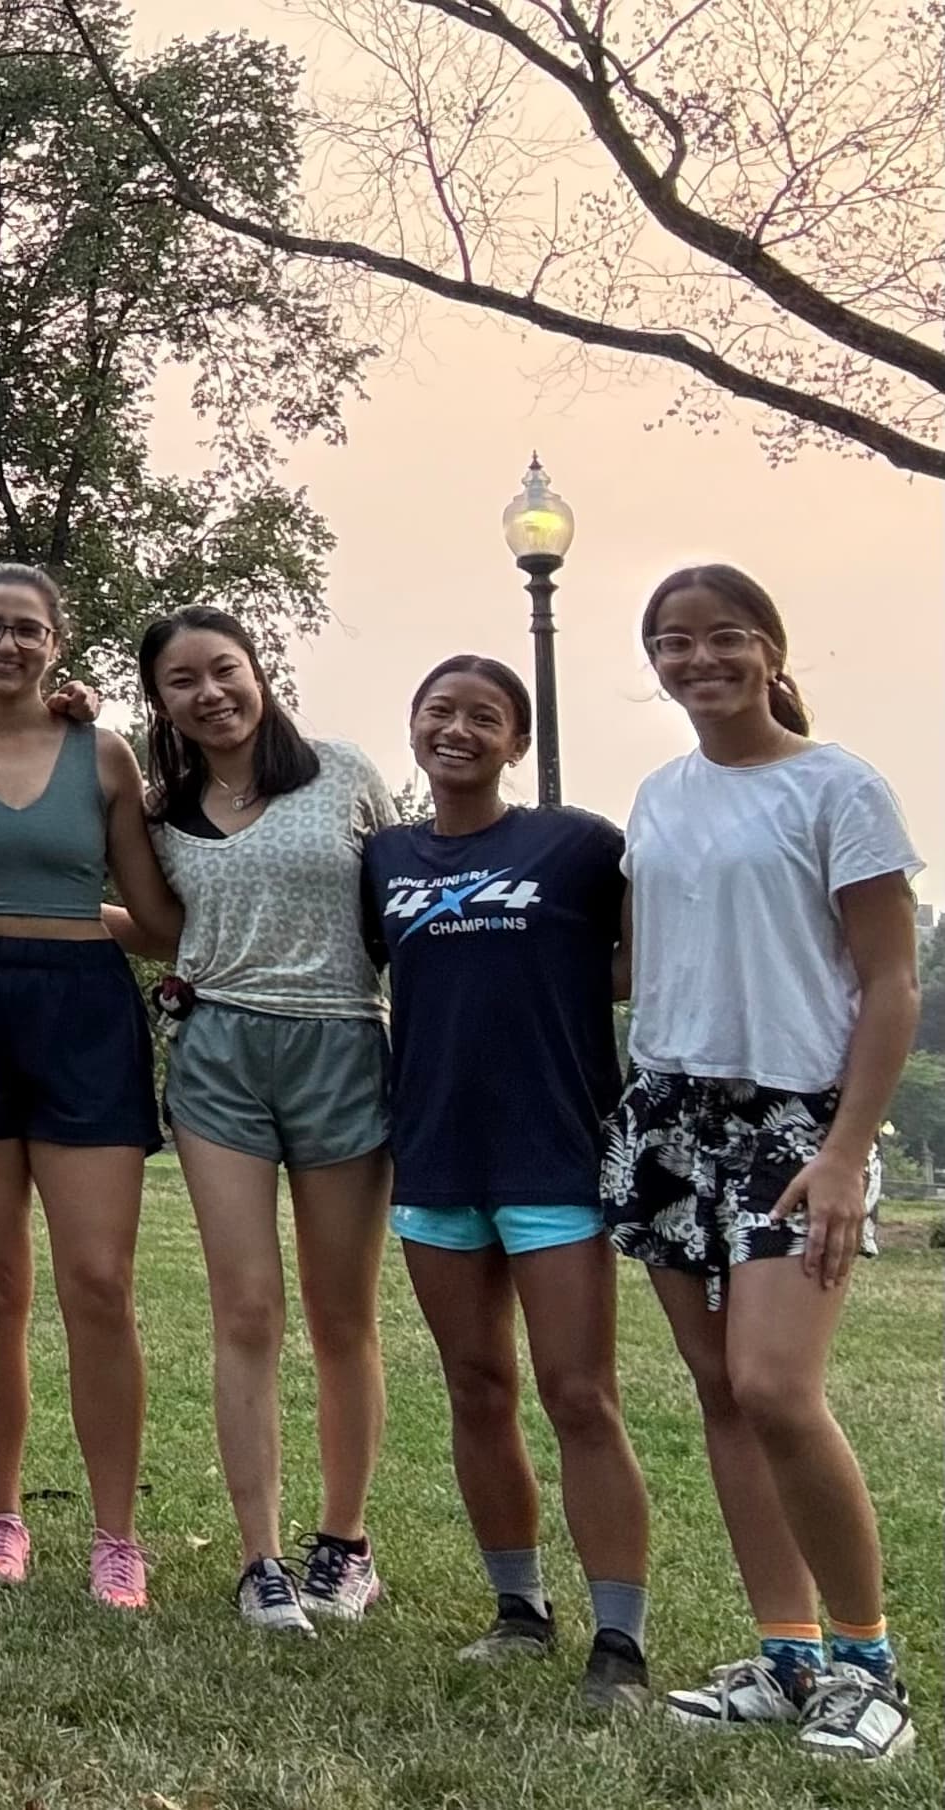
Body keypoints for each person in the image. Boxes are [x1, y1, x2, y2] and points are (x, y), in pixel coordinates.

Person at [609, 565, 920, 1762]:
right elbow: (641, 960)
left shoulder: (838, 788)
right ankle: (787, 1653)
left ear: (770, 648)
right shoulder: (660, 794)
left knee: (780, 1388)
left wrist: (846, 1153)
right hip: (671, 1113)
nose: (697, 660)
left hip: (800, 1124)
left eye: (723, 637)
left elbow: (890, 982)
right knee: (723, 1393)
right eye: (671, 643)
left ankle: (868, 1665)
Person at [0, 563, 174, 1609]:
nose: (7, 645)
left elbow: (157, 921)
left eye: (27, 630)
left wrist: (65, 921)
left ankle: (114, 1535)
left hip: (82, 1014)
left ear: (58, 642)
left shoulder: (102, 754)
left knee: (97, 1279)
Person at [366, 654, 653, 1707]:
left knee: (580, 1394)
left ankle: (618, 1642)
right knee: (476, 1387)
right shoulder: (385, 855)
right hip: (435, 1152)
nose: (458, 729)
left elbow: (643, 958)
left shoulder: (579, 845)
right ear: (412, 725)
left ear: (515, 742)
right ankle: (518, 1612)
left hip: (553, 1152)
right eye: (437, 709)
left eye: (484, 716)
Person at [106, 606, 397, 1634]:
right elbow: (162, 931)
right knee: (245, 1309)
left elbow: (401, 903)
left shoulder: (343, 772)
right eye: (181, 681)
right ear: (161, 702)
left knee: (340, 1313)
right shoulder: (157, 809)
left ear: (257, 671)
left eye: (222, 670)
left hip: (341, 1047)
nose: (209, 693)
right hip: (218, 1056)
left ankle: (343, 1545)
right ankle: (260, 1559)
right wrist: (32, 914)